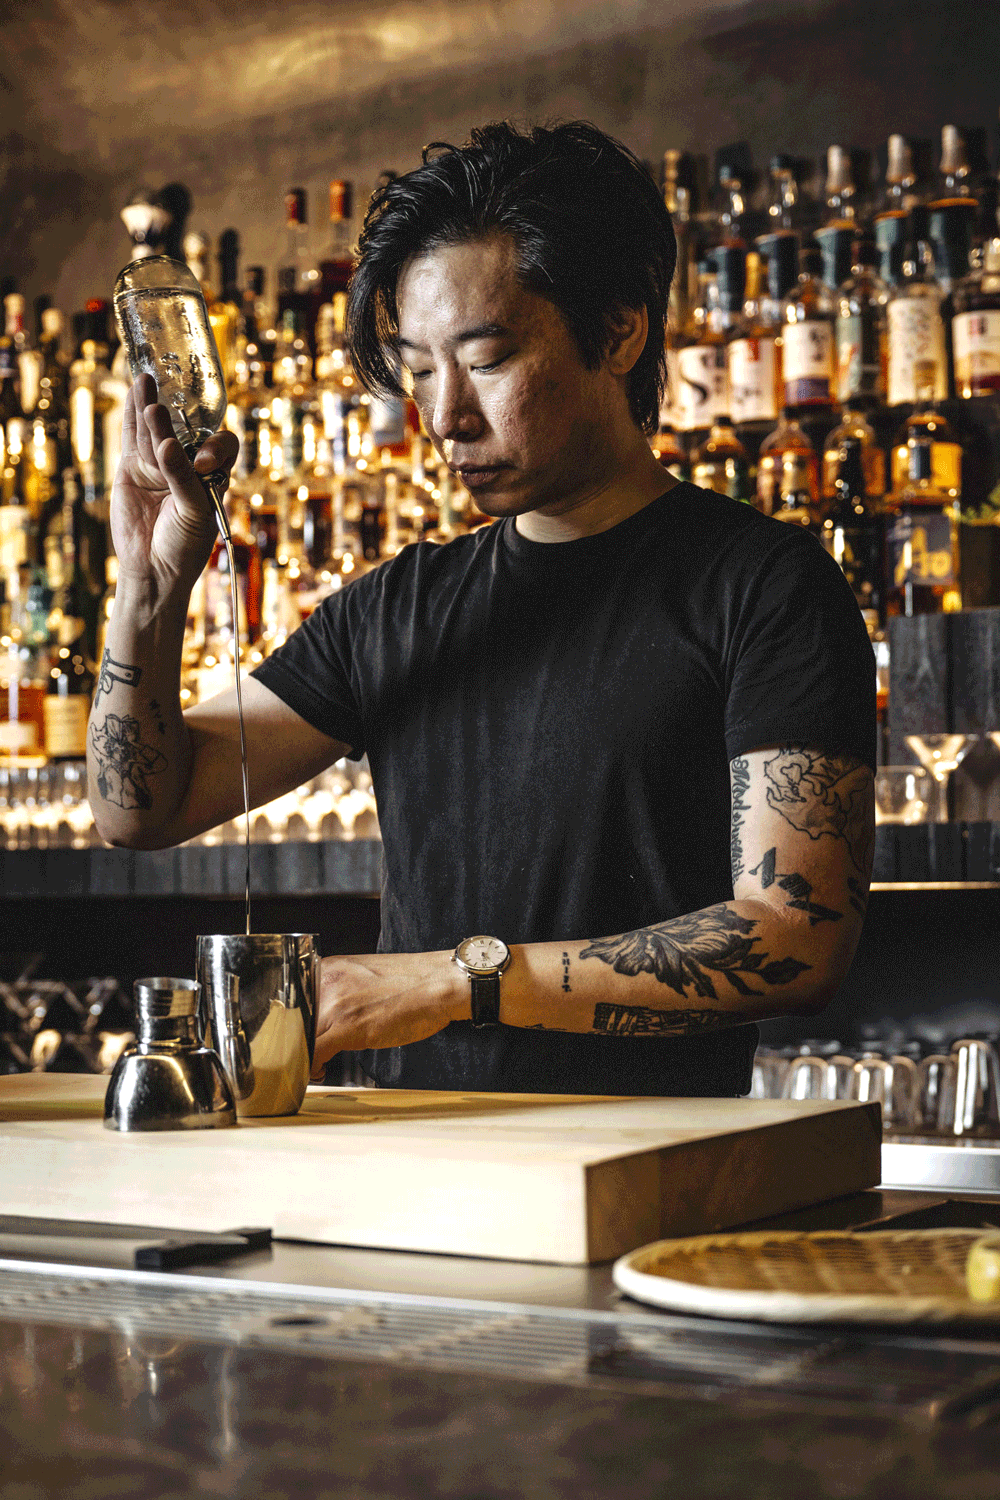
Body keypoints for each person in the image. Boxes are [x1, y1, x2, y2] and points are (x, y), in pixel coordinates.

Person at [89, 120, 876, 1098]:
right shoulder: (397, 609)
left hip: (651, 1180)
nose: (445, 414)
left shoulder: (761, 584)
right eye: (418, 369)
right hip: (414, 1175)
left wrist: (454, 982)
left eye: (487, 357)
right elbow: (140, 808)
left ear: (621, 329)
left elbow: (795, 939)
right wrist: (148, 589)